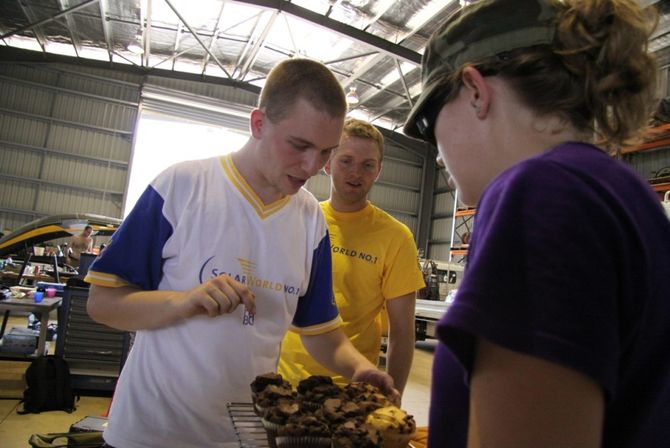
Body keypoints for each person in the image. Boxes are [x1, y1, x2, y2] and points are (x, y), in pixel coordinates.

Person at [85, 59, 398, 448]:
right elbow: (102, 303)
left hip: (245, 434)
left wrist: (361, 368)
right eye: (299, 146)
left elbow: (322, 333)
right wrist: (184, 301)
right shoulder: (181, 188)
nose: (312, 165)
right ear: (258, 124)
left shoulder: (310, 221)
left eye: (325, 152)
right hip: (152, 431)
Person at [403, 0, 670, 446]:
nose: (436, 150)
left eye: (430, 123)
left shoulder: (542, 193)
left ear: (474, 90)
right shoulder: (625, 197)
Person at [278, 118, 425, 395]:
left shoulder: (395, 237)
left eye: (367, 165)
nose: (356, 172)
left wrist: (393, 396)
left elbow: (403, 333)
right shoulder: (300, 219)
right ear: (328, 163)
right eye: (346, 161)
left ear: (378, 171)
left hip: (354, 386)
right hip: (288, 382)